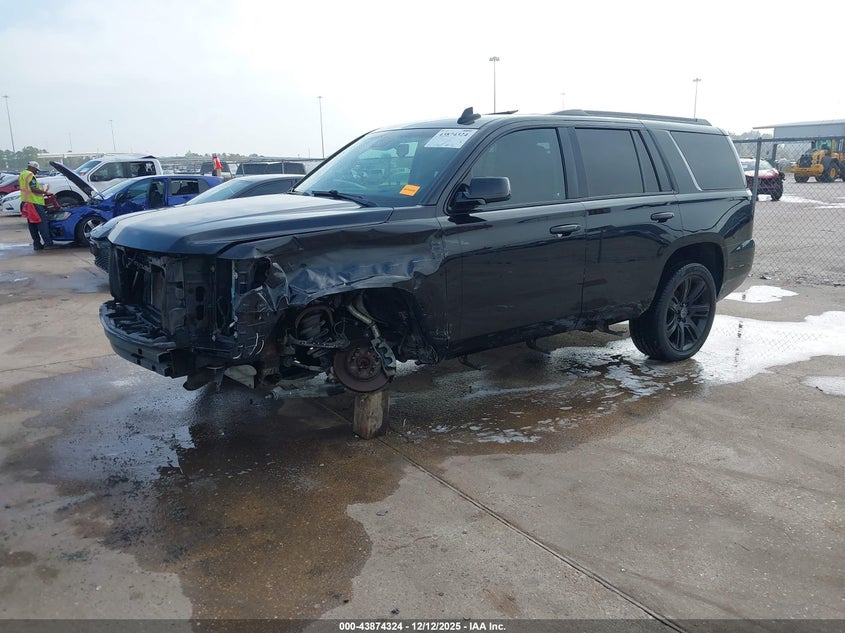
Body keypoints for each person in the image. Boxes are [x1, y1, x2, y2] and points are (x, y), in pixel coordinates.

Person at [19, 160, 54, 251]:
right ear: (32, 167)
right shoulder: (30, 175)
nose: (36, 172)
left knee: (32, 225)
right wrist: (45, 192)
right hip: (34, 203)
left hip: (26, 203)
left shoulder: (22, 174)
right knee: (42, 223)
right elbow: (33, 188)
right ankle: (48, 243)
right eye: (36, 170)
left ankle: (37, 244)